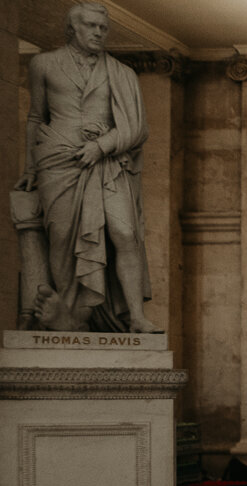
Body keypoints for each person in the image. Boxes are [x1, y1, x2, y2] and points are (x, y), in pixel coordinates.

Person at [14, 2, 160, 333]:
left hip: (108, 162)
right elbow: (36, 117)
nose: (98, 32)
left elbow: (138, 126)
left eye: (103, 28)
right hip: (58, 160)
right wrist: (30, 168)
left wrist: (102, 145)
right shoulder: (44, 64)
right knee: (62, 237)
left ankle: (136, 316)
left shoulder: (121, 73)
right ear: (72, 28)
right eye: (91, 26)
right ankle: (68, 315)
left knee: (124, 232)